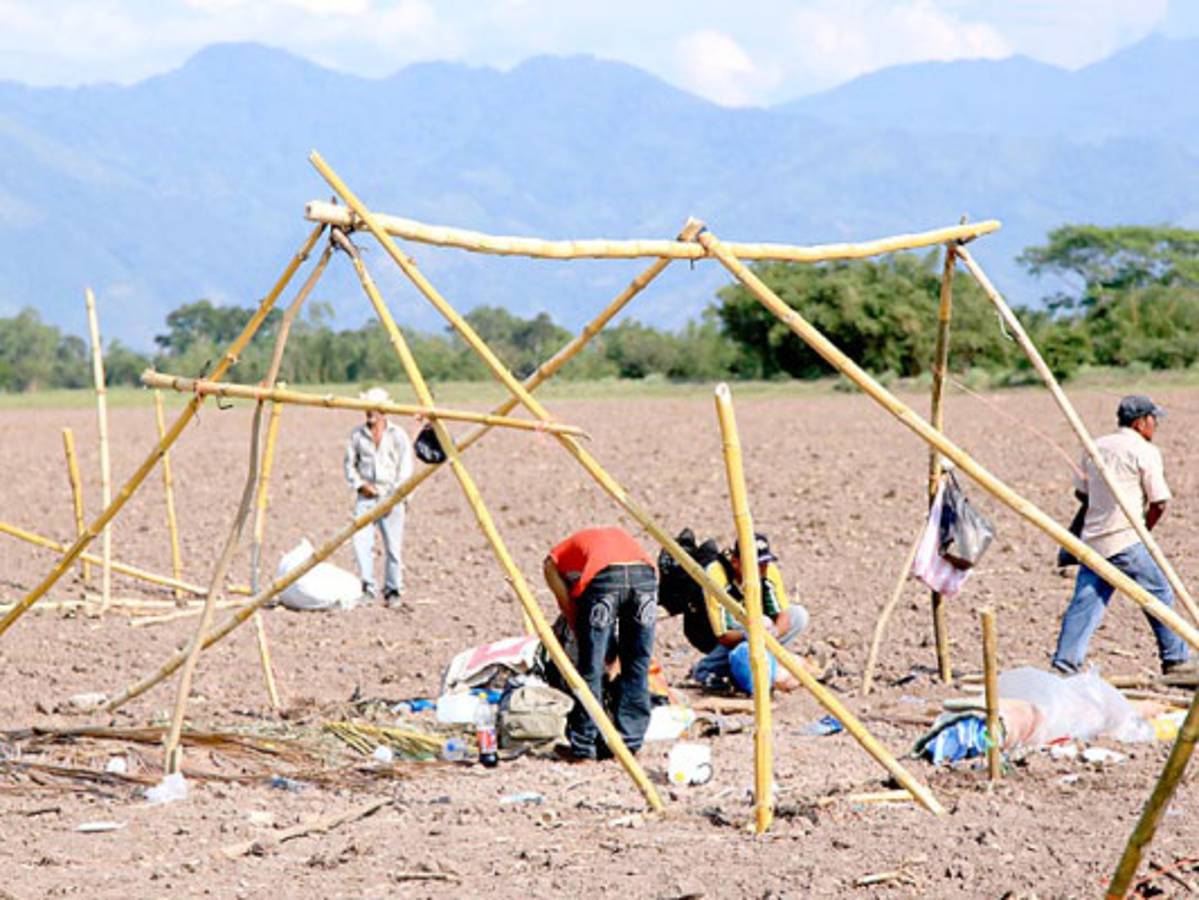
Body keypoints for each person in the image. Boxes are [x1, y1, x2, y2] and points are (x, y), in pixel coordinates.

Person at [1051, 394, 1194, 676]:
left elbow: (1082, 491)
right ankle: (1176, 660)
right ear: (1141, 423)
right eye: (1153, 420)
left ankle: (1064, 664)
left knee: (1087, 600)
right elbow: (1160, 501)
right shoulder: (1144, 450)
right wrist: (1144, 530)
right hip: (1126, 538)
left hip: (1093, 539)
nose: (1156, 426)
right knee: (1158, 592)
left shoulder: (1096, 446)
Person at [543, 527, 658, 760]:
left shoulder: (552, 562)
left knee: (591, 669)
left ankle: (584, 746)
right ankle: (629, 743)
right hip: (645, 576)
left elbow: (568, 605)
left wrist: (587, 636)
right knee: (637, 664)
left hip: (606, 578)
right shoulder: (607, 539)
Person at [690, 532, 809, 691]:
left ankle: (762, 661)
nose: (761, 569)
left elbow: (784, 615)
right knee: (744, 650)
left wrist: (771, 633)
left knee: (798, 615)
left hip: (756, 625)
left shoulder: (768, 571)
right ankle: (707, 669)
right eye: (755, 564)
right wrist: (751, 634)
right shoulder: (717, 575)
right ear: (736, 562)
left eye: (764, 563)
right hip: (718, 630)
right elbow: (723, 635)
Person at [344, 387, 414, 608]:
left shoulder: (398, 435)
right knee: (361, 542)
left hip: (391, 496)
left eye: (375, 409)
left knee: (393, 547)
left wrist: (394, 496)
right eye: (368, 409)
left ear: (384, 412)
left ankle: (393, 590)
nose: (370, 413)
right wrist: (360, 485)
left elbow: (405, 469)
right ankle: (367, 588)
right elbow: (349, 466)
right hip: (366, 496)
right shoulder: (357, 435)